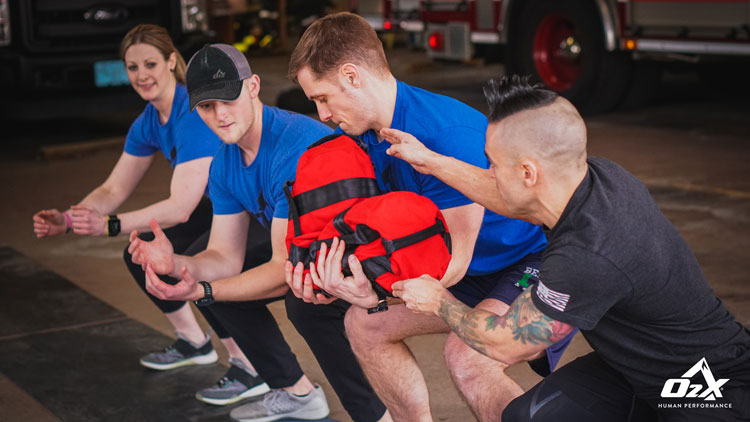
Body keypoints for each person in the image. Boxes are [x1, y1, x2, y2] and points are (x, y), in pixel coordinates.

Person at [387, 75, 750, 421]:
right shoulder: (596, 178)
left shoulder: (588, 251)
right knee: (523, 416)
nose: (490, 172)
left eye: (494, 163)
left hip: (707, 382)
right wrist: (431, 162)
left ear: (529, 173)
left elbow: (509, 344)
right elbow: (509, 196)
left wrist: (439, 300)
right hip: (631, 367)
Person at [284, 12, 576, 421]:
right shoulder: (363, 138)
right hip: (472, 269)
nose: (322, 115)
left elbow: (451, 261)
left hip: (527, 261)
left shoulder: (443, 133)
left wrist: (378, 292)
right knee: (364, 326)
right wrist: (329, 278)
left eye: (322, 98)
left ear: (352, 76)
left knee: (469, 353)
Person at [31, 24, 269, 406]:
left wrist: (109, 224)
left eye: (151, 64)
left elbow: (181, 206)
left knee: (190, 265)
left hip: (238, 206)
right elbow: (113, 189)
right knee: (139, 251)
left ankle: (248, 366)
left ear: (171, 61)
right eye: (132, 67)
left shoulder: (193, 112)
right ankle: (194, 342)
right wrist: (67, 218)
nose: (142, 75)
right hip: (212, 205)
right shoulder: (147, 121)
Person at [128, 43, 334, 422]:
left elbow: (280, 270)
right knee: (219, 286)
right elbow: (223, 257)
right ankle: (296, 392)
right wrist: (177, 263)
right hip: (303, 251)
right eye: (207, 106)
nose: (220, 115)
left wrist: (202, 289)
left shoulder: (292, 144)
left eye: (228, 99)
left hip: (358, 253)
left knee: (303, 306)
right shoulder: (226, 160)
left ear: (253, 86)